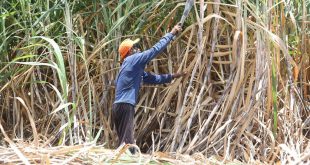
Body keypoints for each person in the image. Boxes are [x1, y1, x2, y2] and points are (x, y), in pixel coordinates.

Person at [112, 23, 186, 154]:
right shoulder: (133, 60)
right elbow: (154, 51)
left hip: (118, 107)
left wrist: (174, 76)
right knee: (128, 145)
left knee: (124, 143)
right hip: (125, 105)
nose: (138, 49)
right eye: (135, 47)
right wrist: (172, 33)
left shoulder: (130, 67)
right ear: (130, 51)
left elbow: (154, 79)